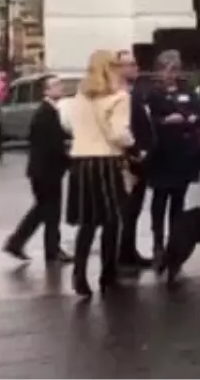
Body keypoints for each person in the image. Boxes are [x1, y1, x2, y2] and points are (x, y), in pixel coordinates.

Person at [65, 50, 135, 297]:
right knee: (112, 220)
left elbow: (69, 124)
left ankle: (79, 274)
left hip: (81, 162)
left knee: (87, 222)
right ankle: (108, 273)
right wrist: (132, 143)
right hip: (107, 160)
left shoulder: (81, 96)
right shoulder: (119, 97)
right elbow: (119, 133)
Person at [145, 50, 200, 272]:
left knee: (178, 202)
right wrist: (164, 121)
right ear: (159, 70)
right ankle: (158, 244)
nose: (171, 74)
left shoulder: (187, 91)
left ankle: (175, 244)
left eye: (175, 69)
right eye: (167, 69)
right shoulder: (151, 93)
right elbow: (145, 120)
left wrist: (192, 119)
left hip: (183, 154)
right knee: (160, 201)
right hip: (161, 155)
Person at [3, 74, 72, 264]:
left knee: (44, 210)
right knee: (50, 211)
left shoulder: (50, 111)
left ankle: (20, 244)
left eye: (60, 83)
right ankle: (47, 250)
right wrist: (70, 162)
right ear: (46, 91)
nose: (61, 87)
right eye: (55, 85)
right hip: (45, 172)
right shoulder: (45, 114)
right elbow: (52, 146)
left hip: (44, 171)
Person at [115, 49, 153, 270]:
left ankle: (129, 251)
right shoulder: (118, 96)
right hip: (128, 162)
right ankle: (122, 255)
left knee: (134, 211)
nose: (135, 68)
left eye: (135, 64)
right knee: (126, 210)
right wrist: (136, 152)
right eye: (129, 64)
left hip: (141, 162)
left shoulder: (137, 92)